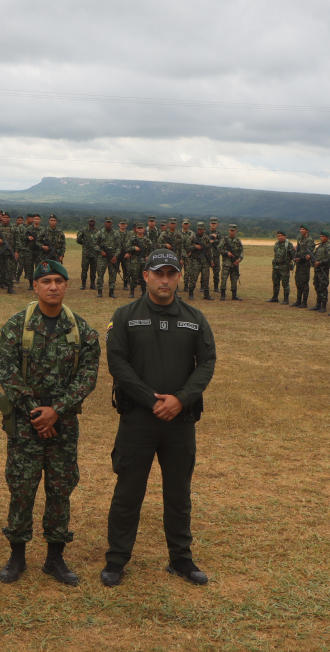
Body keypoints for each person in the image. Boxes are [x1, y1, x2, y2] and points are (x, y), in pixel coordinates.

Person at [101, 249, 215, 588]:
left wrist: (180, 400)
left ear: (179, 277)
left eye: (171, 273)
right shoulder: (124, 316)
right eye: (158, 273)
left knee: (178, 493)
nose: (165, 279)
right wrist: (152, 401)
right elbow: (118, 363)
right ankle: (116, 560)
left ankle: (181, 559)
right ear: (145, 276)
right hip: (139, 420)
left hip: (179, 422)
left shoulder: (195, 318)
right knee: (128, 492)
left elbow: (206, 363)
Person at [0, 260, 101, 586]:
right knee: (22, 488)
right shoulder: (16, 327)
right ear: (35, 286)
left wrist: (58, 410)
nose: (52, 286)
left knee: (60, 489)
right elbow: (7, 373)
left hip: (64, 426)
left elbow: (88, 376)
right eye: (45, 281)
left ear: (66, 286)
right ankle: (17, 556)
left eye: (58, 280)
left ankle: (55, 558)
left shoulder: (81, 330)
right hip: (26, 426)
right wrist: (37, 412)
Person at [268, 230, 294, 303]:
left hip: (284, 266)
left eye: (282, 235)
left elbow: (292, 256)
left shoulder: (288, 244)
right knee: (275, 282)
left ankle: (286, 299)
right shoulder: (276, 244)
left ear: (285, 236)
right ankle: (275, 297)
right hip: (276, 266)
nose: (280, 237)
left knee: (285, 283)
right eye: (279, 236)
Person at [219, 225, 244, 300]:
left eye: (233, 230)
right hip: (226, 263)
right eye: (230, 230)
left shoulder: (238, 241)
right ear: (228, 230)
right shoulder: (224, 239)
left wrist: (239, 259)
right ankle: (223, 295)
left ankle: (234, 295)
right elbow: (219, 248)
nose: (232, 232)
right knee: (224, 279)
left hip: (235, 263)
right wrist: (226, 253)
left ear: (236, 231)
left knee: (234, 279)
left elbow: (241, 251)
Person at [76, 217, 99, 291]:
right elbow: (78, 239)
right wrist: (85, 244)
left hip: (94, 253)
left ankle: (92, 284)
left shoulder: (97, 231)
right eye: (90, 221)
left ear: (95, 222)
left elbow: (100, 241)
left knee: (93, 269)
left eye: (93, 221)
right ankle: (83, 284)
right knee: (84, 269)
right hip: (86, 253)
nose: (92, 222)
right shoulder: (83, 230)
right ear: (88, 222)